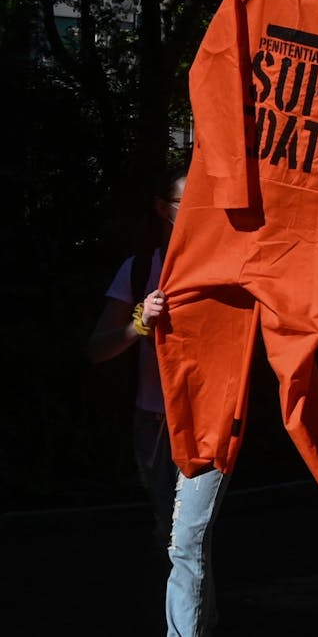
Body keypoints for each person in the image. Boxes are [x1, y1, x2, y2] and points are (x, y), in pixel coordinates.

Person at [87, 166, 187, 550]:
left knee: (190, 535)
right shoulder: (140, 268)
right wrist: (139, 324)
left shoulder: (220, 268)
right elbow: (98, 350)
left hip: (205, 417)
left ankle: (194, 611)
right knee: (170, 528)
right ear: (163, 208)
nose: (197, 210)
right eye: (185, 202)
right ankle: (187, 608)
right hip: (155, 419)